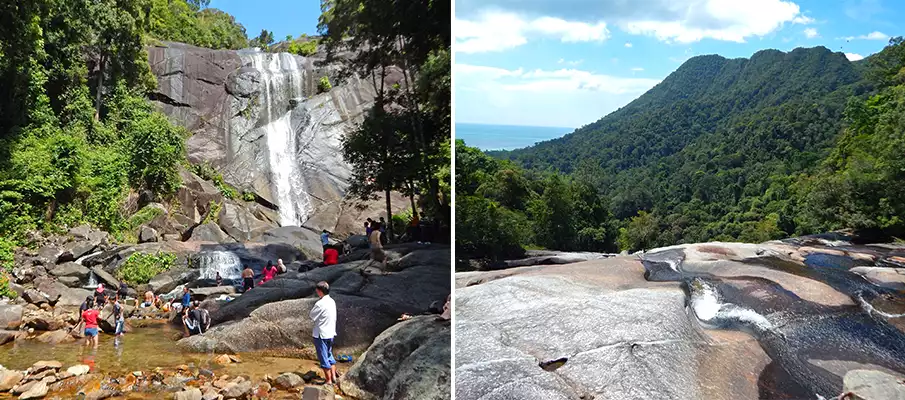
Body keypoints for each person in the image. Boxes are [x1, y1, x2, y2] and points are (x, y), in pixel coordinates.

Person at [310, 281, 338, 386]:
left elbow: (312, 315)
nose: (317, 292)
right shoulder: (332, 301)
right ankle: (334, 377)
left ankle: (328, 380)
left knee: (323, 357)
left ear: (320, 291)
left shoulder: (320, 303)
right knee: (329, 354)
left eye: (317, 290)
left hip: (321, 334)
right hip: (331, 332)